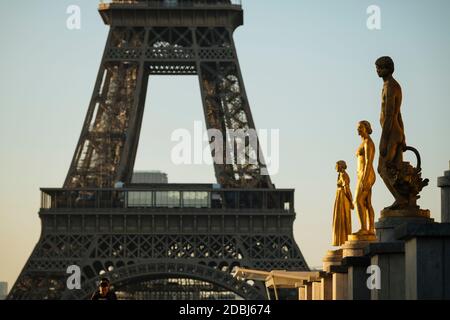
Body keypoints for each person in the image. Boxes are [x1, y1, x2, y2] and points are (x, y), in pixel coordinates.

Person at [354, 121, 376, 235]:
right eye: (357, 128)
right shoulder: (363, 143)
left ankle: (364, 228)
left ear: (366, 128)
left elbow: (368, 162)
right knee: (367, 203)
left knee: (358, 201)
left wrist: (364, 178)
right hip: (363, 175)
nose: (358, 129)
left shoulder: (368, 142)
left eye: (360, 127)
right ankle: (370, 229)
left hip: (366, 174)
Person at [332, 161, 354, 246]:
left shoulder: (344, 175)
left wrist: (351, 201)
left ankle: (344, 241)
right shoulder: (340, 175)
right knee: (340, 219)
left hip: (343, 198)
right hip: (340, 197)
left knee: (344, 219)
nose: (335, 167)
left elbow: (347, 189)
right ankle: (342, 242)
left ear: (340, 166)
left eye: (336, 165)